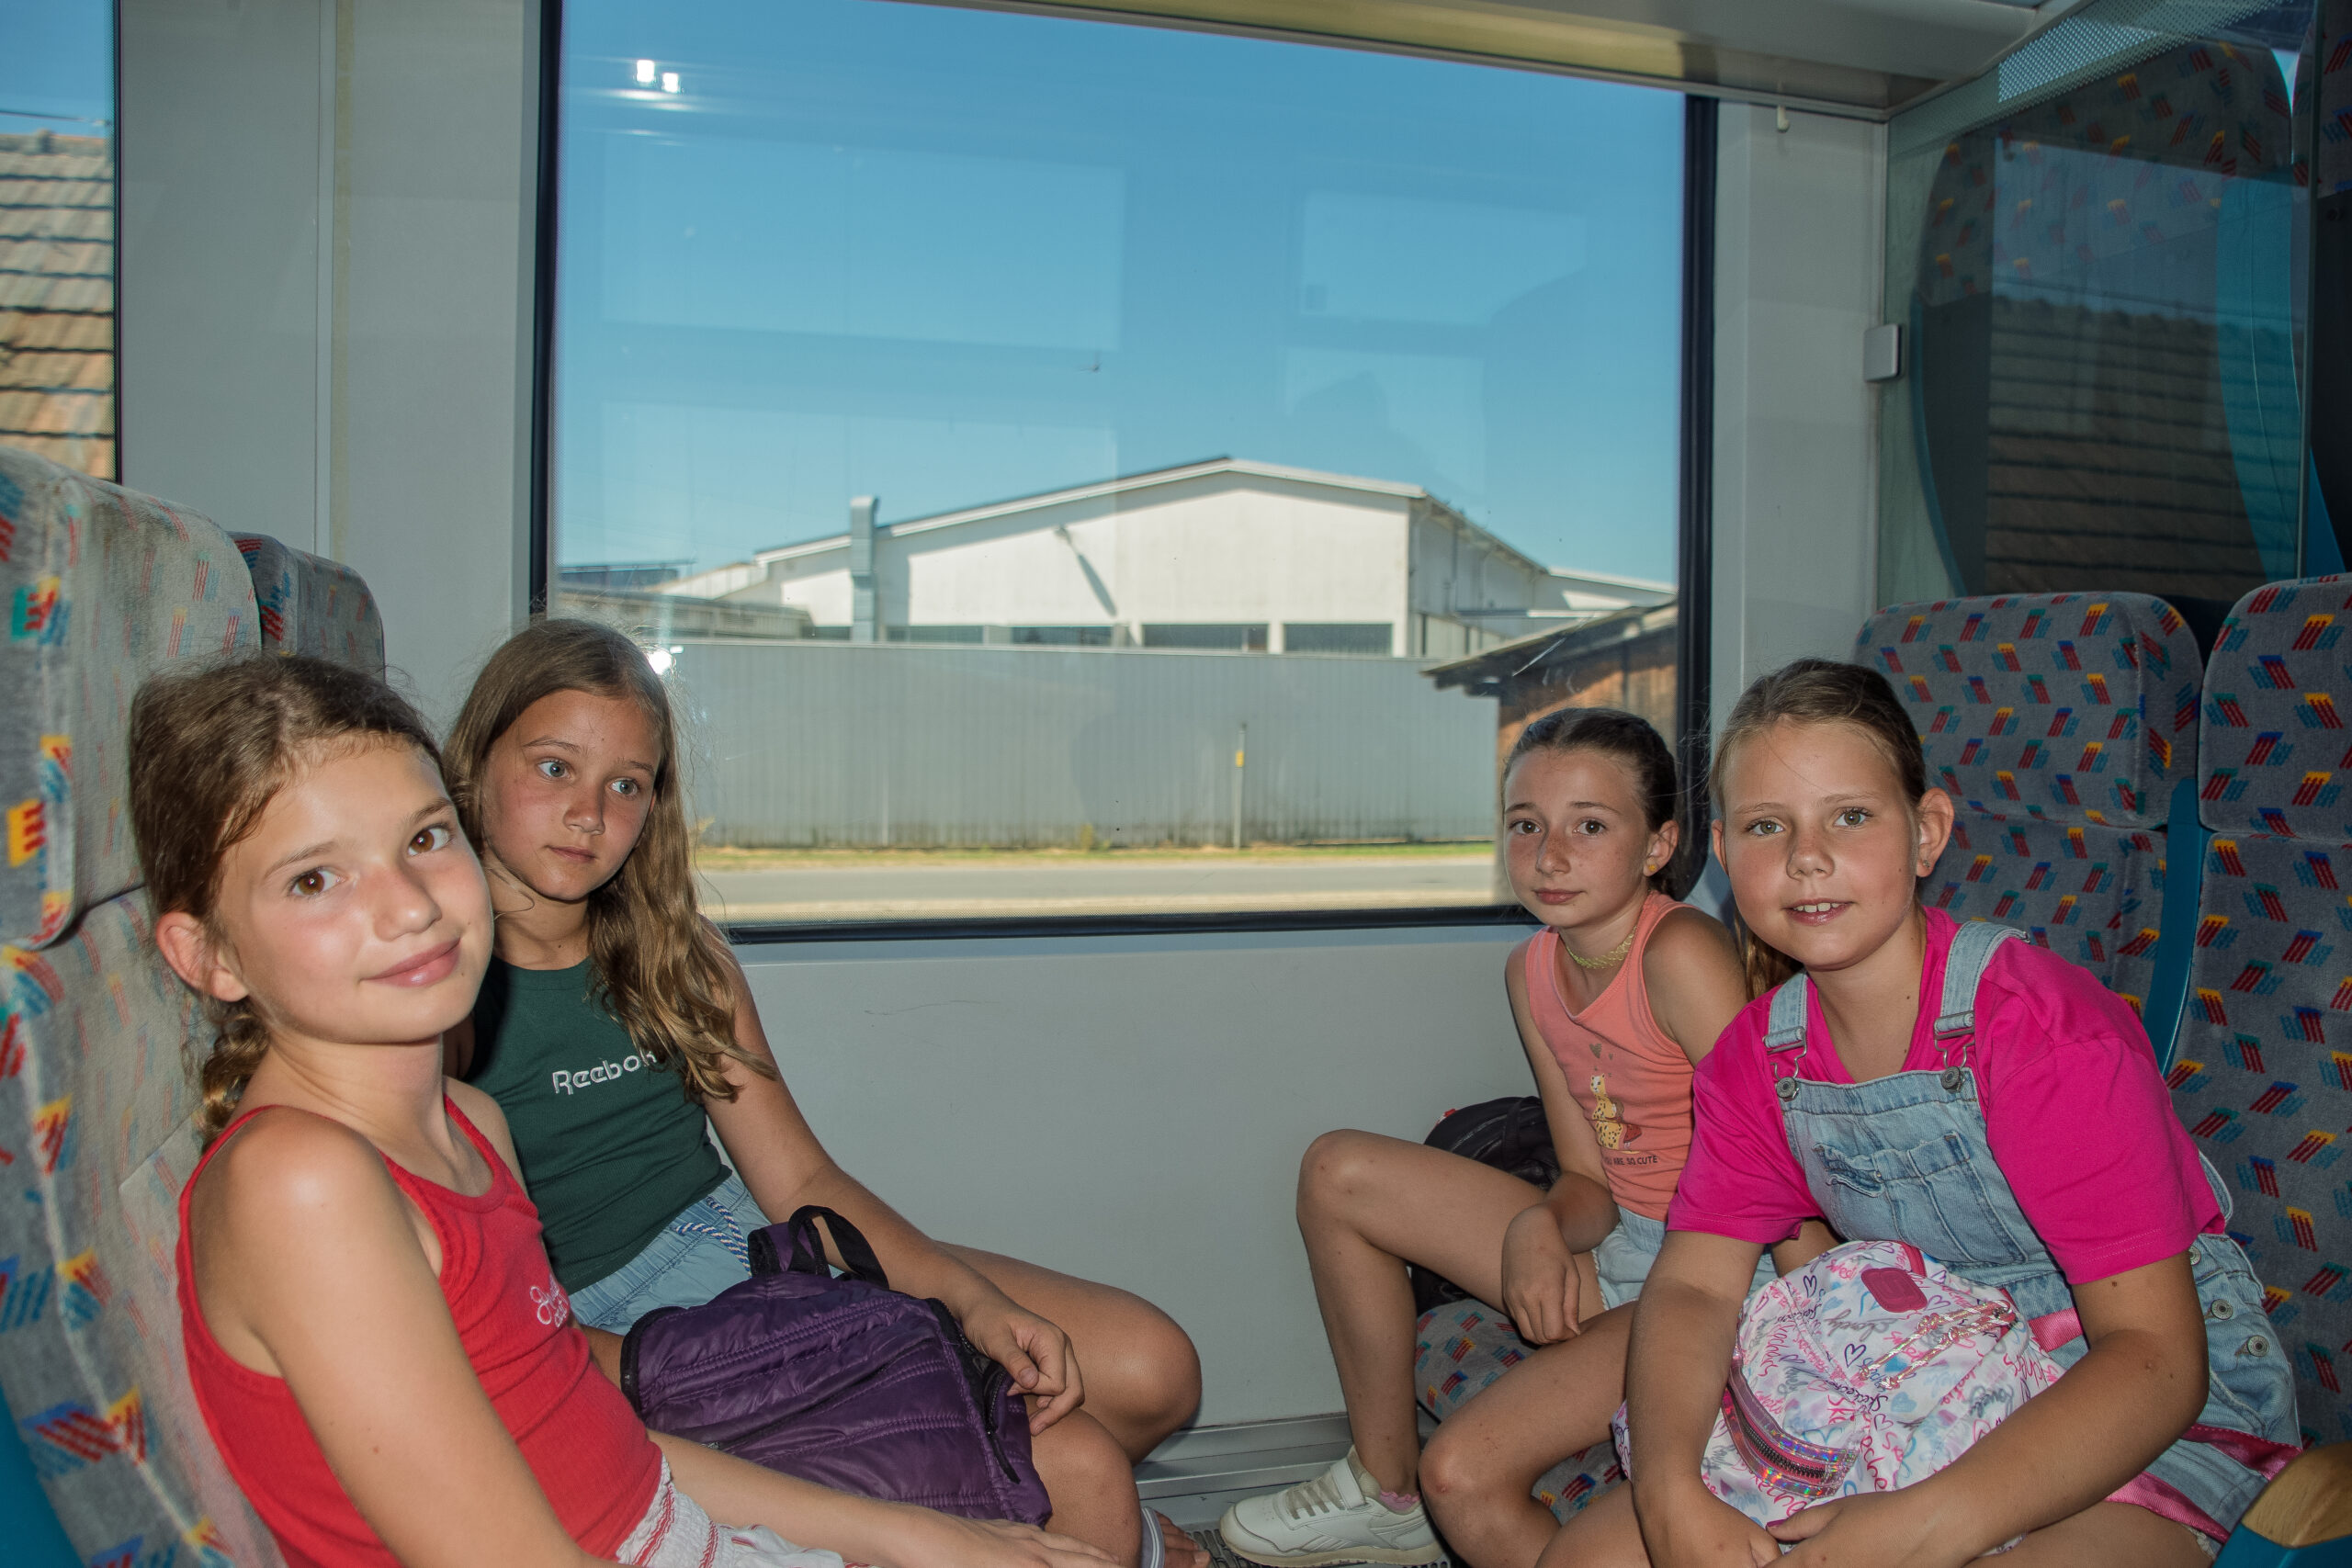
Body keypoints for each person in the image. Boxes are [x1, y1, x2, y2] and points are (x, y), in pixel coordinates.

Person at [138, 653, 1122, 1568]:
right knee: (1070, 1485)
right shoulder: (301, 1185)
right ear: (206, 955)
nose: (410, 906)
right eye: (315, 879)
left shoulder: (471, 1126)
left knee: (1050, 1504)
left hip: (665, 1523)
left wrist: (923, 1537)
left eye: (425, 840)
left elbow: (609, 1453)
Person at [440, 619, 1205, 1568]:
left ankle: (1018, 1497)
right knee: (1082, 1467)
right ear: (474, 765)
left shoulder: (678, 959)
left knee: (1150, 1367)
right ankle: (1040, 1510)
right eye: (554, 767)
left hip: (743, 1247)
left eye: (626, 784)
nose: (589, 813)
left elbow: (799, 1180)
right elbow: (506, 1320)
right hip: (596, 1326)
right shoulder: (438, 1000)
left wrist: (970, 1303)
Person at [1573, 658, 2300, 1568]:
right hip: (1913, 1368)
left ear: (1926, 834)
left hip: (2134, 1395)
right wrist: (1666, 1486)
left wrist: (1926, 1523)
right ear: (1723, 853)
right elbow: (1694, 1289)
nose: (1806, 856)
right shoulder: (1755, 1062)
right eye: (1767, 825)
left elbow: (2157, 1358)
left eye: (1850, 816)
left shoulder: (2042, 1034)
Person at [1216, 708, 1828, 1568]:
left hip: (1723, 1276)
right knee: (1337, 1171)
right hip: (1621, 1246)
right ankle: (1386, 1494)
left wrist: (1823, 1330)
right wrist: (1541, 1223)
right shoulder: (1533, 970)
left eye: (1590, 825)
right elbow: (1589, 1176)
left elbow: (1777, 1159)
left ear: (1658, 845)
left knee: (1462, 1470)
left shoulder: (1679, 952)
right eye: (1526, 824)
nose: (1550, 854)